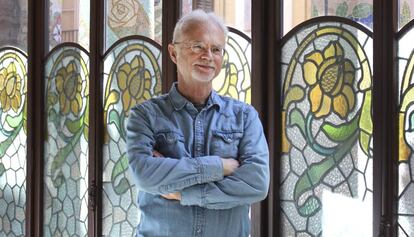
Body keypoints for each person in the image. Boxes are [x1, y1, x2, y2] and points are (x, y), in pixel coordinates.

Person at [126, 9, 269, 237]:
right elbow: (143, 174)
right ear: (173, 53)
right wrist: (220, 167)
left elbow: (256, 184)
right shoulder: (145, 116)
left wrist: (184, 193)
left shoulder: (245, 117)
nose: (208, 56)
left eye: (216, 49)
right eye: (198, 47)